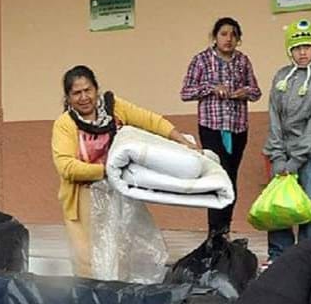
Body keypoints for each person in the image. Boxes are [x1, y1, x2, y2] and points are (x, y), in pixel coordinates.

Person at [52, 65, 197, 278]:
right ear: (68, 97)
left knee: (120, 254)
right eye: (76, 93)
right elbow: (66, 166)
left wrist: (182, 141)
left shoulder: (114, 108)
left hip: (118, 194)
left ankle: (119, 300)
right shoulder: (65, 124)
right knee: (89, 262)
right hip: (84, 198)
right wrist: (106, 170)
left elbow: (150, 120)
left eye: (88, 90)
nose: (84, 97)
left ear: (96, 89)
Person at [262, 19, 311, 262]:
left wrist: (296, 159)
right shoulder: (281, 77)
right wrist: (277, 155)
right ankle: (279, 257)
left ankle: (309, 257)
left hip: (309, 154)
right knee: (279, 206)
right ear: (289, 50)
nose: (302, 52)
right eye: (296, 47)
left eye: (307, 46)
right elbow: (274, 117)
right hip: (281, 153)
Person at [180, 17, 261, 234]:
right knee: (218, 176)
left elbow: (256, 92)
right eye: (224, 34)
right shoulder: (202, 60)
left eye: (233, 35)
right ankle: (214, 232)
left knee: (231, 178)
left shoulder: (243, 61)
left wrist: (244, 92)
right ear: (215, 37)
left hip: (238, 128)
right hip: (212, 127)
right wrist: (211, 88)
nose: (228, 39)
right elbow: (185, 92)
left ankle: (225, 230)